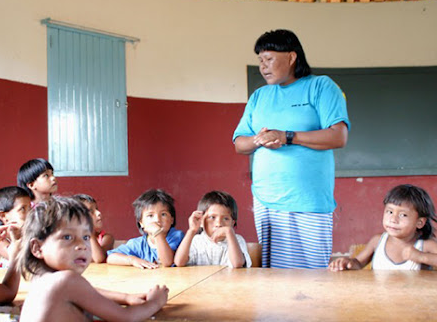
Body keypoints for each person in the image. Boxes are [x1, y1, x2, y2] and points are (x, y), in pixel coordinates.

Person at [233, 29, 350, 268]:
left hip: (308, 200)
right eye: (260, 61)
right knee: (274, 282)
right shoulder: (259, 96)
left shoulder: (321, 87)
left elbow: (339, 136)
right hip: (266, 200)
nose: (263, 67)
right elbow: (239, 143)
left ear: (292, 57)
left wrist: (287, 136)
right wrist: (260, 139)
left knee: (311, 279)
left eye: (269, 59)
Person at [18, 196, 169, 322]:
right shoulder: (66, 280)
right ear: (37, 248)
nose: (81, 245)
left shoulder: (41, 278)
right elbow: (126, 317)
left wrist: (126, 297)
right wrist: (155, 302)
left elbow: (88, 292)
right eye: (67, 237)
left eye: (85, 237)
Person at [329, 184, 437, 271]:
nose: (393, 219)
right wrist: (348, 263)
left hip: (415, 298)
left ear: (420, 222)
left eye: (403, 215)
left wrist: (421, 257)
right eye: (390, 212)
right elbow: (358, 263)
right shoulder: (378, 241)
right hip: (380, 297)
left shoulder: (425, 245)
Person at [107, 189, 184, 269]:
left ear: (172, 219)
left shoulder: (177, 236)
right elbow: (111, 257)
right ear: (141, 223)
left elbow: (167, 261)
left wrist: (157, 233)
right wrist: (132, 260)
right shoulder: (138, 244)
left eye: (163, 214)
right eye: (150, 215)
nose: (157, 219)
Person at [174, 191, 252, 268]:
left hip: (228, 280)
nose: (219, 224)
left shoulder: (237, 240)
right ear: (201, 220)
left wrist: (229, 232)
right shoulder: (196, 241)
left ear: (232, 223)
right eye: (212, 217)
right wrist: (191, 231)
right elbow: (179, 262)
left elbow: (237, 264)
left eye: (226, 218)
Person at [0, 186, 32, 268]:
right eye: (23, 209)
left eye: (30, 207)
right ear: (3, 216)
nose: (30, 213)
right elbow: (25, 263)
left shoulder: (28, 235)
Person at [73, 193, 114, 263]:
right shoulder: (71, 239)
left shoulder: (106, 238)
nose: (99, 213)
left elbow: (98, 258)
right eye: (91, 211)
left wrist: (89, 231)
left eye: (97, 209)